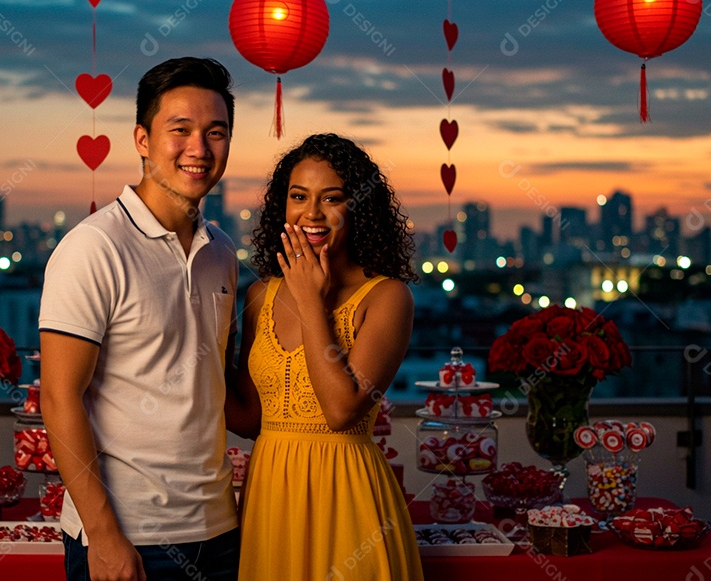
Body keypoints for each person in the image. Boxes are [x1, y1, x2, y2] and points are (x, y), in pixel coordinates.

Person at [39, 57, 240, 581]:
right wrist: (104, 535)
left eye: (216, 132)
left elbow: (216, 386)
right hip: (130, 536)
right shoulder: (94, 247)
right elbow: (58, 398)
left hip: (220, 528)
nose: (199, 149)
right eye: (181, 130)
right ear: (142, 140)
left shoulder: (221, 251)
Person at [226, 133, 424, 580]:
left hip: (347, 496)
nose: (312, 213)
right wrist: (198, 349)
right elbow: (248, 418)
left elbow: (341, 410)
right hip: (270, 497)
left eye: (331, 198)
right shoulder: (259, 295)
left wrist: (311, 301)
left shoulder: (388, 297)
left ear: (358, 208)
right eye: (299, 197)